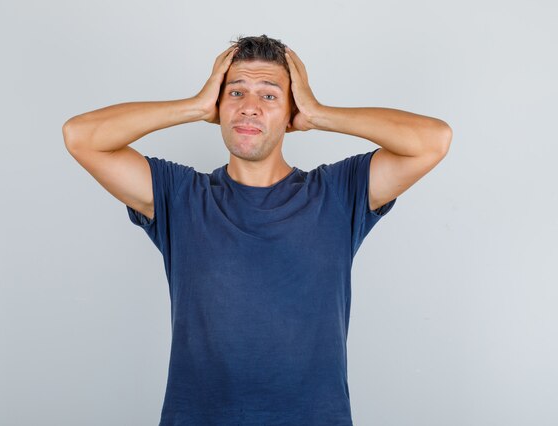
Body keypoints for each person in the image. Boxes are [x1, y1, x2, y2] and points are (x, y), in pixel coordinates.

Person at [62, 34, 452, 426]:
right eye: (235, 93)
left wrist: (319, 113)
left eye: (268, 96)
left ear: (290, 112)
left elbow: (432, 141)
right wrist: (195, 107)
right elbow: (81, 137)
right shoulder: (179, 196)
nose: (249, 108)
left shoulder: (337, 193)